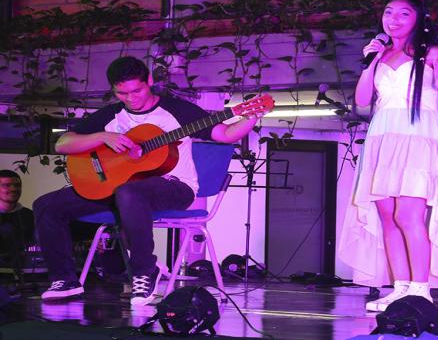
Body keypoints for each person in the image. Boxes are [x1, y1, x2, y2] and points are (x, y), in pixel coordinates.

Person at [33, 56, 260, 305]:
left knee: (129, 192)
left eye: (137, 90)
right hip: (118, 190)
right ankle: (65, 280)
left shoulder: (177, 110)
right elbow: (63, 144)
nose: (131, 98)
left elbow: (225, 134)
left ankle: (144, 271)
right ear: (113, 90)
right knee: (47, 204)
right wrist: (102, 137)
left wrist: (251, 116)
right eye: (122, 93)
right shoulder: (111, 115)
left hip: (175, 186)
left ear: (149, 81)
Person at [338, 0, 438, 312]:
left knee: (409, 215)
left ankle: (420, 289)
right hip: (382, 135)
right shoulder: (379, 52)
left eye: (404, 14)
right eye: (389, 12)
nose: (395, 19)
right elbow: (363, 99)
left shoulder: (431, 51)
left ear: (418, 19)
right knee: (387, 216)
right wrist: (371, 61)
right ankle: (400, 288)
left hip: (417, 133)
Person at [0, 170, 35, 272]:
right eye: (7, 185)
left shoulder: (30, 216)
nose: (14, 189)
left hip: (25, 273)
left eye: (17, 185)